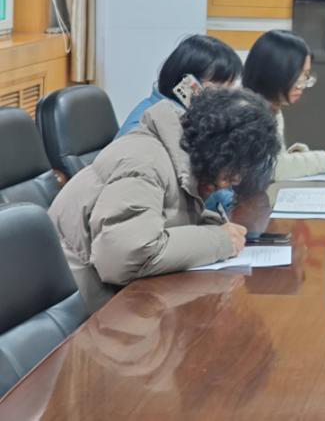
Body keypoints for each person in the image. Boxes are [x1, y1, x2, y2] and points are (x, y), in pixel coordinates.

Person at [48, 88, 280, 312]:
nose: (231, 182)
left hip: (115, 297)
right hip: (79, 308)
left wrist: (212, 225)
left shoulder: (181, 160)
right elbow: (125, 257)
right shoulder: (145, 163)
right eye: (232, 172)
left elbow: (167, 217)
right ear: (219, 149)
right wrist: (218, 240)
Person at [242, 29, 325, 179]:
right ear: (275, 72)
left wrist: (292, 157)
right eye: (298, 76)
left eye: (306, 75)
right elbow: (271, 169)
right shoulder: (246, 113)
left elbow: (273, 160)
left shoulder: (272, 107)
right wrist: (324, 161)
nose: (302, 85)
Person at [115, 34, 243, 138]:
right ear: (189, 86)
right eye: (220, 91)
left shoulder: (185, 118)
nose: (226, 101)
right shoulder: (146, 130)